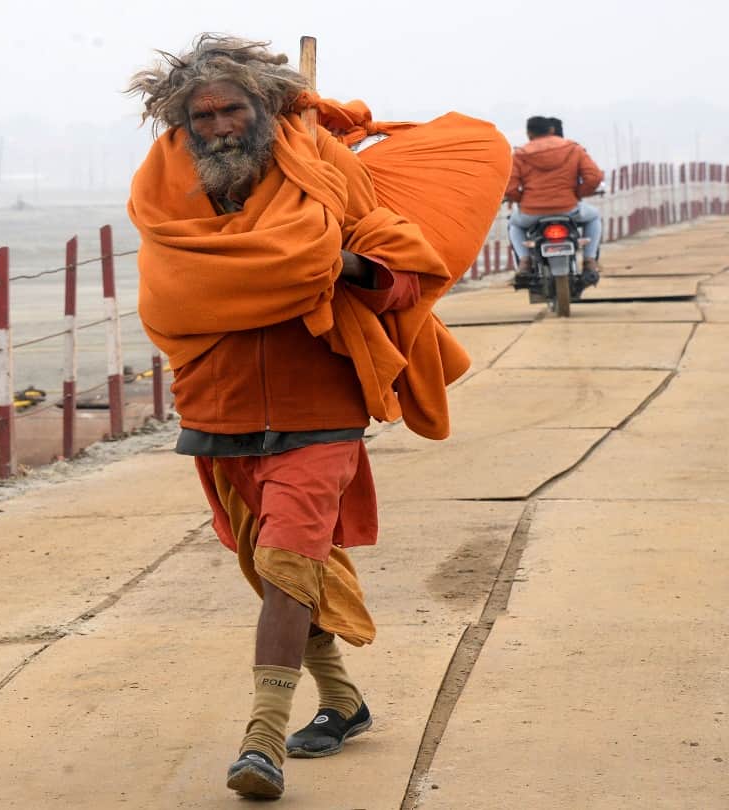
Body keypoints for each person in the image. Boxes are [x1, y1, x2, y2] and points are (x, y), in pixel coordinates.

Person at [126, 34, 508, 800]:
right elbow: (169, 293)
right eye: (202, 117)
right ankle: (342, 699)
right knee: (269, 567)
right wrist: (275, 266)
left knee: (291, 561)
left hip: (319, 407)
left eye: (233, 108)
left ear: (263, 107)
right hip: (217, 406)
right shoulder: (165, 191)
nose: (220, 127)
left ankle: (261, 739)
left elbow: (406, 274)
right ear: (181, 123)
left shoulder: (326, 172)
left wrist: (338, 262)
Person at [505, 115, 604, 284]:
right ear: (552, 130)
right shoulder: (573, 149)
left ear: (529, 134)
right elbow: (594, 177)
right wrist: (578, 193)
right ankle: (589, 260)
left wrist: (522, 199)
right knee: (594, 217)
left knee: (514, 224)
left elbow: (510, 186)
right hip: (569, 209)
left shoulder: (520, 155)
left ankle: (525, 261)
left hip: (531, 212)